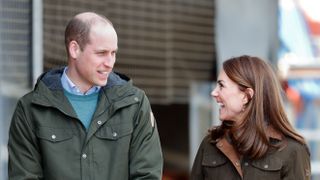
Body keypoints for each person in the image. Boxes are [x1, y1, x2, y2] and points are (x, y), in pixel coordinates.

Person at [8, 12, 163, 180]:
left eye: (113, 53)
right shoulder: (31, 109)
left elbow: (148, 175)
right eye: (101, 53)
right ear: (74, 49)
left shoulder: (134, 104)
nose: (110, 62)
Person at [191, 55, 311, 180]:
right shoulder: (210, 144)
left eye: (221, 86)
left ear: (246, 96)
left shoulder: (293, 150)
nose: (214, 93)